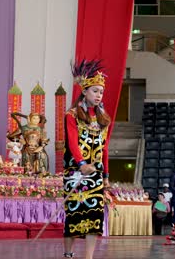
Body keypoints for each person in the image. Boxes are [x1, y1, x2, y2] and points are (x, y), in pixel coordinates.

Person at [63, 60, 111, 259]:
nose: (99, 95)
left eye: (101, 91)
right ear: (84, 92)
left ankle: (88, 257)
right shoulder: (72, 115)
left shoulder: (103, 119)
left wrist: (106, 177)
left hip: (96, 174)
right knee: (74, 216)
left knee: (94, 216)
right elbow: (73, 142)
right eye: (95, 91)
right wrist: (82, 164)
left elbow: (104, 149)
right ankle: (68, 253)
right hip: (76, 172)